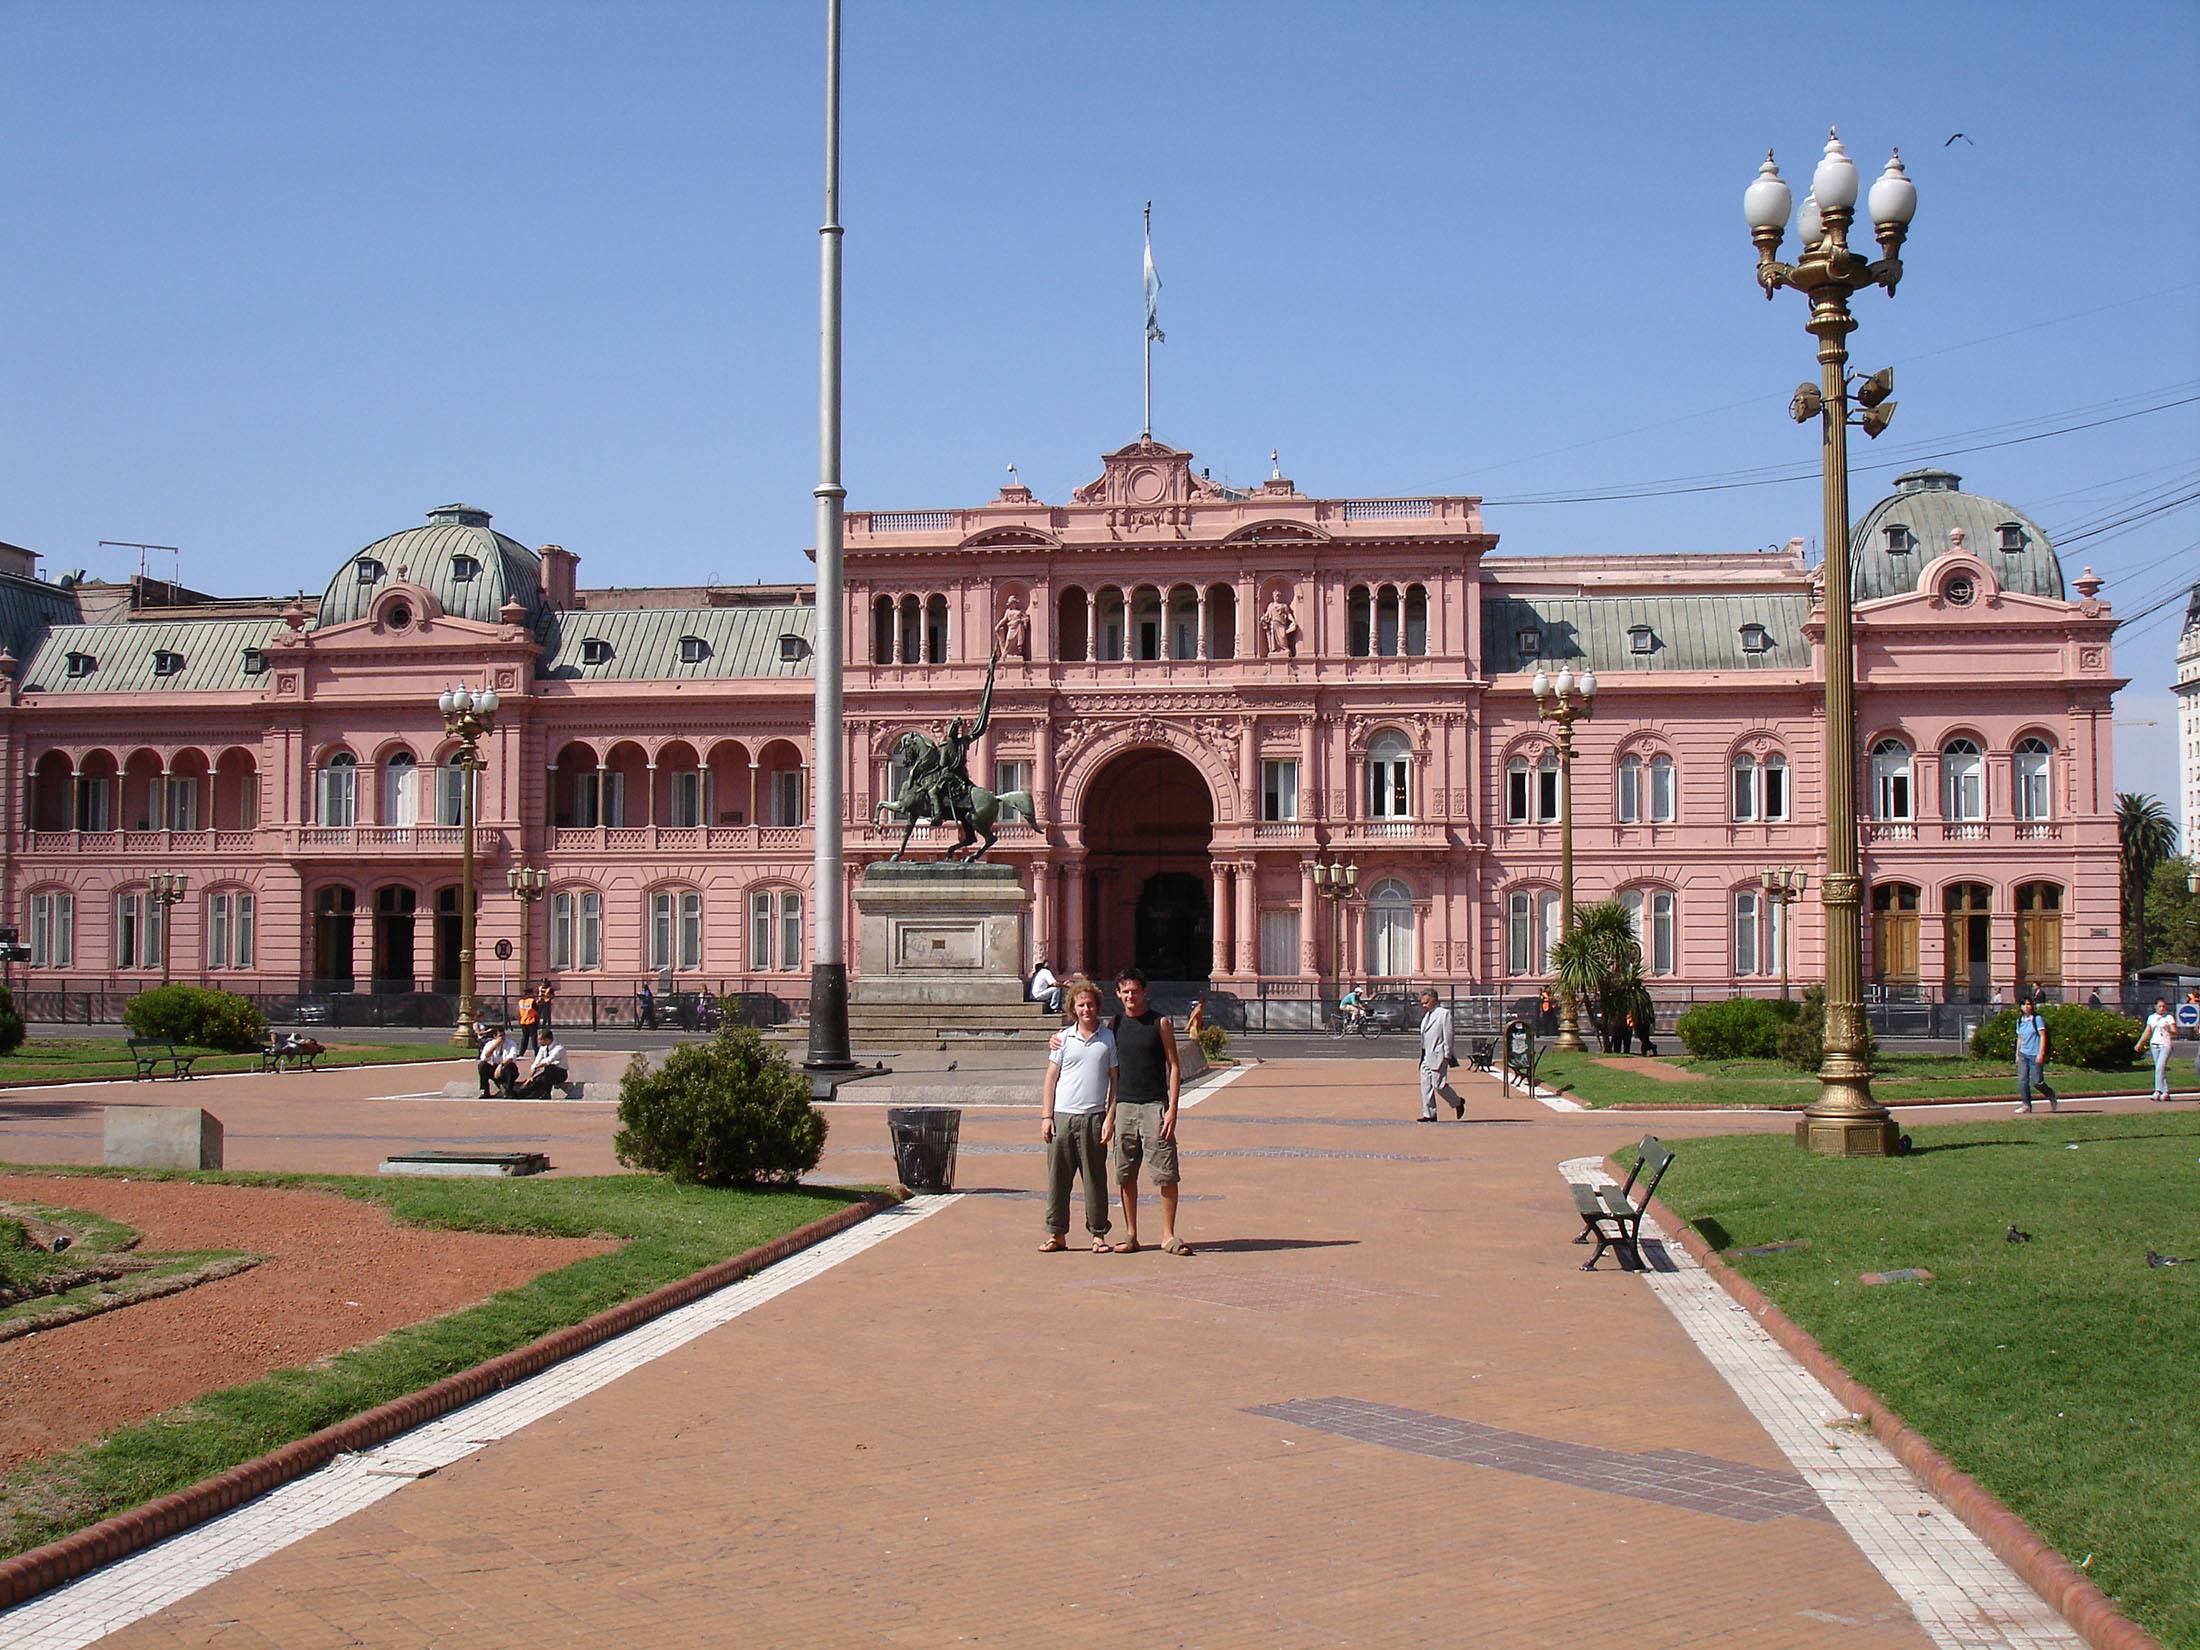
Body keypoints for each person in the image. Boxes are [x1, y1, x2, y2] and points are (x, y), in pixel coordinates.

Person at [1108, 968, 1190, 1255]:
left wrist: (1173, 1109)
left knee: (1166, 1173)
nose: (1130, 996)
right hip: (1125, 1107)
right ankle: (1131, 1233)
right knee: (1125, 1173)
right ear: (1118, 994)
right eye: (1125, 991)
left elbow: (1175, 1066)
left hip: (1155, 1106)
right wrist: (1055, 1042)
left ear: (1145, 992)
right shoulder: (1114, 1024)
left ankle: (1168, 1234)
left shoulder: (1160, 1023)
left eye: (1135, 991)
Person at [1039, 978, 1116, 1254]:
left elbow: (1114, 1081)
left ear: (1098, 1007)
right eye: (1081, 1005)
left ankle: (1098, 1233)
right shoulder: (1062, 1039)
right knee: (1057, 1178)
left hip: (1093, 1116)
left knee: (1095, 1179)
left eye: (1091, 1005)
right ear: (1073, 1008)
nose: (1087, 1010)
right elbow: (1051, 1078)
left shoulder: (1108, 1038)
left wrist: (1109, 1117)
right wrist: (1047, 1117)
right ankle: (1056, 1233)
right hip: (1063, 1116)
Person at [1417, 988, 1464, 1122]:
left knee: (1439, 1085)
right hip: (1426, 1054)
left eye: (1426, 1002)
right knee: (1425, 1085)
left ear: (1433, 1000)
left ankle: (1458, 1102)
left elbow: (1449, 1034)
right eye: (1422, 1003)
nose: (1424, 1006)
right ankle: (1429, 1114)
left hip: (1439, 1054)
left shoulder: (1444, 1014)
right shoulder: (1427, 1016)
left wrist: (1448, 1053)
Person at [2011, 996, 2056, 1114]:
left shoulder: (2037, 1019)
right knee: (2022, 1080)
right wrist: (2017, 1054)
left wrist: (2041, 1053)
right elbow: (2020, 1038)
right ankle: (2026, 1105)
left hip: (2035, 1054)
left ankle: (2050, 1094)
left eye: (2029, 1004)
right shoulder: (2020, 1020)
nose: (2027, 1007)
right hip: (2023, 1054)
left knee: (2037, 1082)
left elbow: (2043, 1036)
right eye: (2024, 1004)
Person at [2137, 997, 2177, 1102]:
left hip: (2165, 1045)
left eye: (2163, 1006)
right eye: (2159, 1006)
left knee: (2160, 1067)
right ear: (2155, 1007)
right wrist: (2140, 1042)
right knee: (2160, 1069)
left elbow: (2174, 1031)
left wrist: (2167, 1027)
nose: (2162, 1008)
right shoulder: (2151, 1018)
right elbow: (2147, 1031)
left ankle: (2157, 1091)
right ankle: (2165, 1092)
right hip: (2155, 1045)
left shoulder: (2168, 1017)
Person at [477, 1025, 522, 1098]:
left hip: (505, 1068)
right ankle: (485, 1091)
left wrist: (501, 1066)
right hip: (494, 1068)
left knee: (511, 1066)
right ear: (495, 1036)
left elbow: (512, 1057)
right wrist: (495, 1046)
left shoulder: (511, 1044)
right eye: (500, 1036)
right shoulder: (490, 1044)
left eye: (504, 1035)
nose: (503, 1038)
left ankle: (509, 1091)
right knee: (482, 1065)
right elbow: (484, 1057)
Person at [520, 1034, 569, 1099]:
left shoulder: (559, 1048)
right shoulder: (543, 1048)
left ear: (547, 1039)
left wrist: (537, 1067)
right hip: (547, 1073)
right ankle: (520, 1094)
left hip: (560, 1073)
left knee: (550, 1068)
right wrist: (530, 1077)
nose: (538, 1041)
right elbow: (536, 1062)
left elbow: (548, 1061)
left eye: (540, 1039)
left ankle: (547, 1093)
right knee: (536, 1080)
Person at [516, 986, 540, 1054]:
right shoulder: (531, 1001)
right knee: (533, 1037)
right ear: (529, 994)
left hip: (523, 1021)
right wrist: (538, 1003)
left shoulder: (521, 1001)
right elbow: (537, 1009)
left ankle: (521, 1052)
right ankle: (536, 1052)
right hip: (531, 1020)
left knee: (524, 1037)